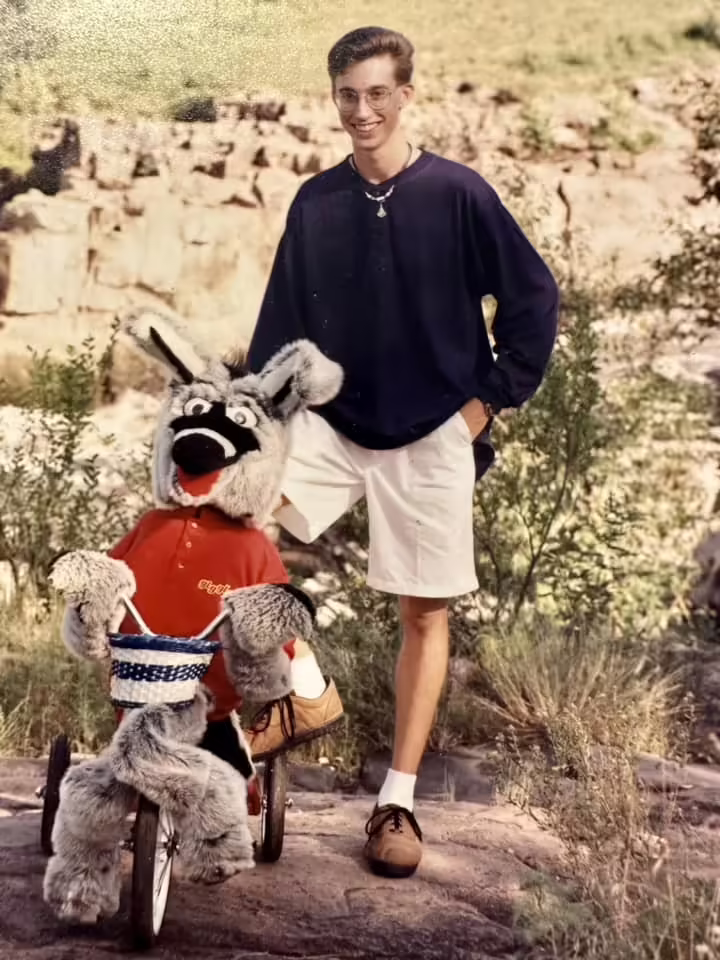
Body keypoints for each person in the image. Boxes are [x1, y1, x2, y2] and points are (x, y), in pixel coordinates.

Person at [245, 25, 560, 879]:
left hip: (431, 435)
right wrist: (255, 419)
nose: (362, 111)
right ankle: (300, 695)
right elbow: (280, 330)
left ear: (406, 95)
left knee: (424, 614)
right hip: (334, 427)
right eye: (348, 94)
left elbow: (534, 298)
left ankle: (398, 802)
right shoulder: (316, 202)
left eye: (378, 93)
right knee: (237, 536)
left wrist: (485, 405)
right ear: (335, 96)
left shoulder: (458, 194)